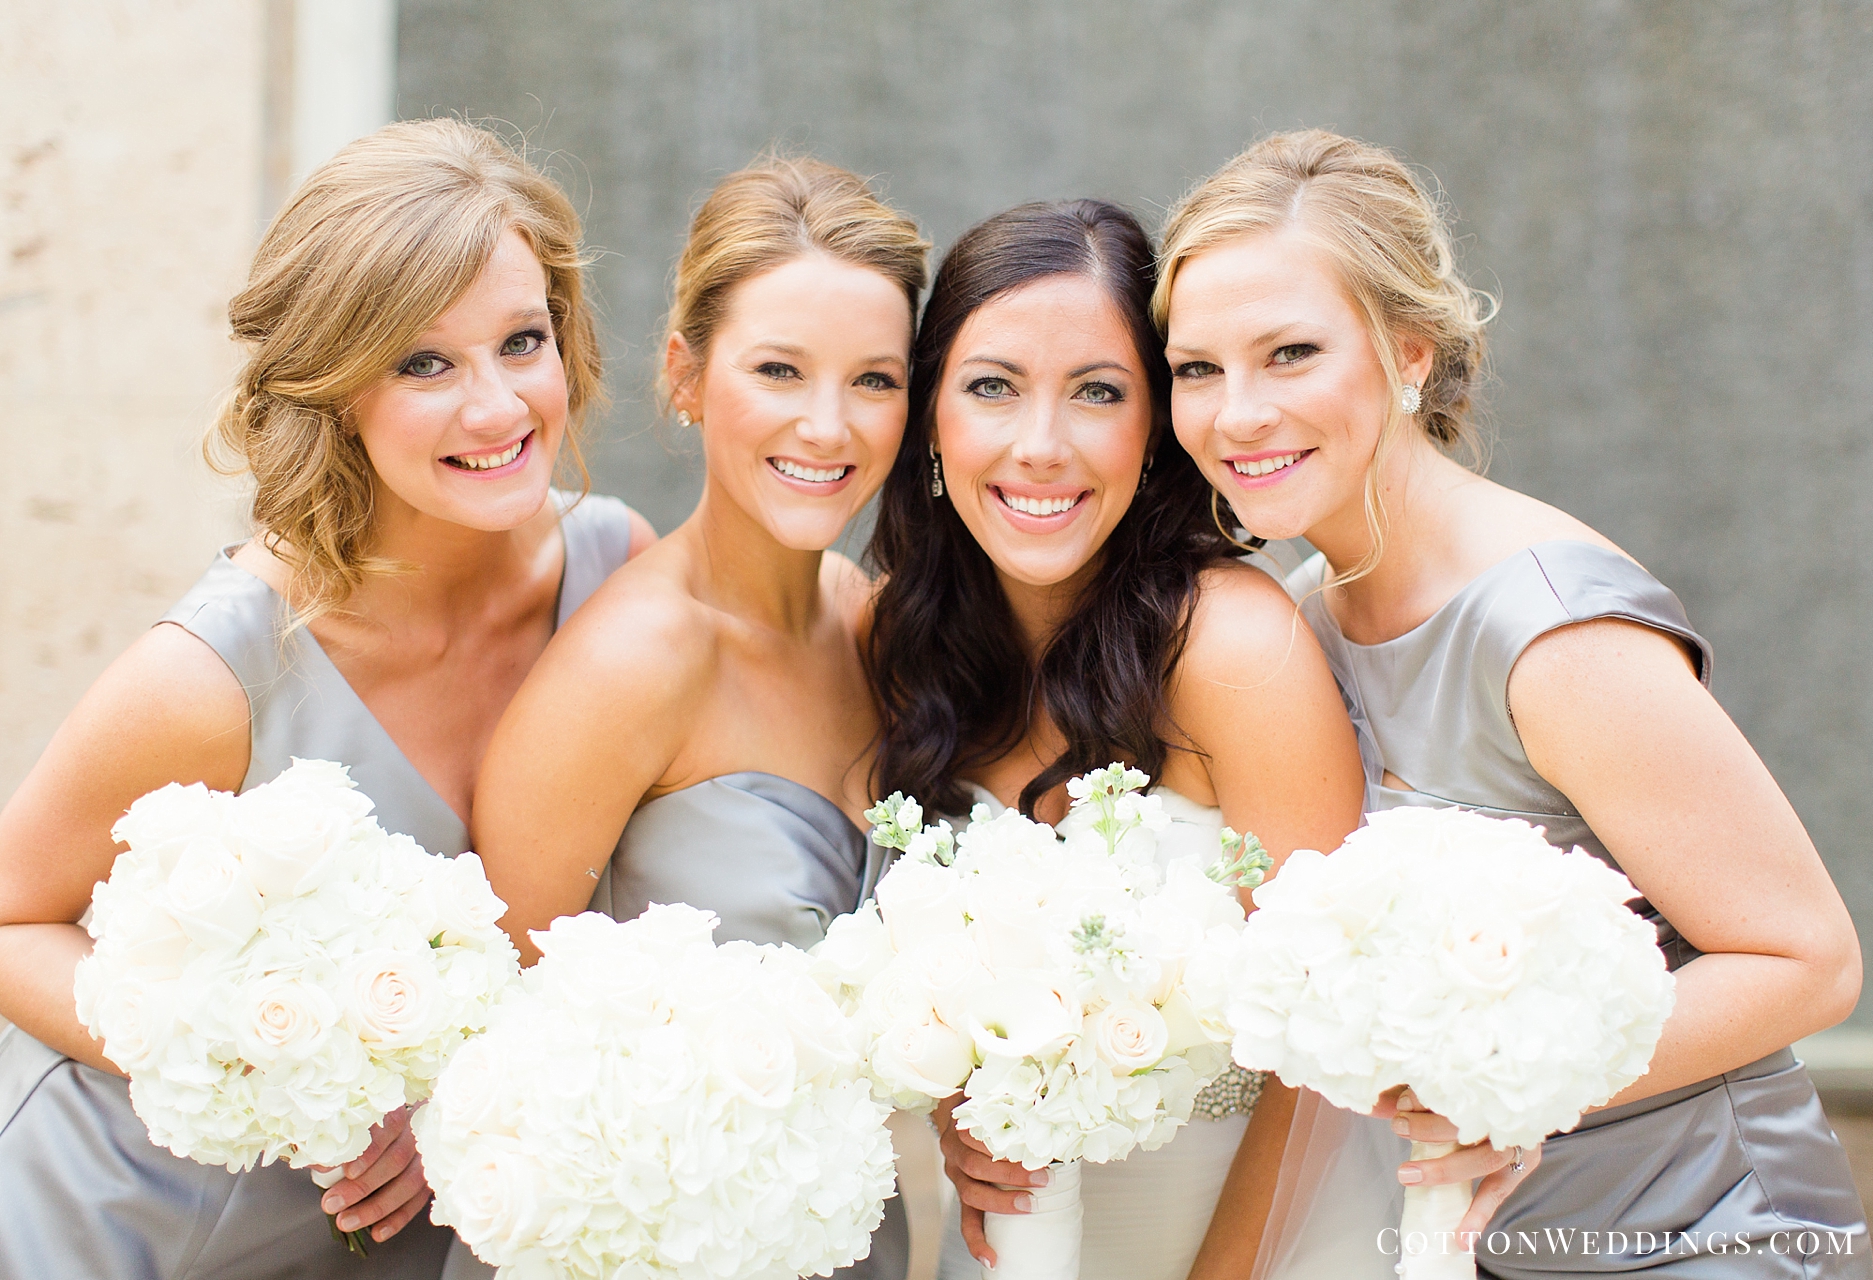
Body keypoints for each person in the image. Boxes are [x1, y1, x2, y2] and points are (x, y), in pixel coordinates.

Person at [1155, 128, 1870, 1277]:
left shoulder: (1546, 627)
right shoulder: (1303, 612)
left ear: (1409, 356)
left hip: (1703, 1233)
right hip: (1485, 1242)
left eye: (1290, 353)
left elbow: (1809, 959)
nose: (1237, 413)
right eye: (1198, 368)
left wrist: (1504, 1082)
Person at [0, 118, 654, 1279]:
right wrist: (266, 1070)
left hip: (381, 1242)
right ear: (335, 386)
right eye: (423, 362)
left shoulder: (615, 582)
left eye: (522, 340)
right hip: (115, 1223)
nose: (500, 406)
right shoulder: (212, 675)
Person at [861, 198, 1365, 1280]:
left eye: (1097, 391)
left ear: (1154, 430)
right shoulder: (903, 639)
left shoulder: (1231, 647)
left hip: (1252, 1248)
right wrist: (964, 1089)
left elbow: (1324, 1048)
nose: (1041, 447)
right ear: (932, 417)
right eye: (992, 386)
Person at [469, 155, 929, 1280]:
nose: (829, 426)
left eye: (874, 379)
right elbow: (490, 1026)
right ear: (684, 373)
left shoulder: (871, 619)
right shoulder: (630, 665)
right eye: (779, 370)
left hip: (850, 1225)